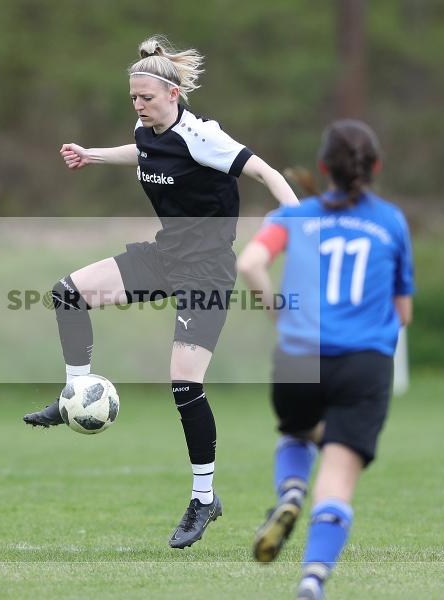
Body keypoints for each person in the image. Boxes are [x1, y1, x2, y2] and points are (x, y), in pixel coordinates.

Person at [23, 35, 300, 549]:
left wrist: (299, 223)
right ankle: (73, 394)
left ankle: (203, 499)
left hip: (207, 271)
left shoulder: (204, 137)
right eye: (133, 97)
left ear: (173, 94)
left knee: (184, 383)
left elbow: (265, 172)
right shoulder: (147, 128)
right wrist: (91, 155)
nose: (138, 105)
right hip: (166, 256)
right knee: (67, 293)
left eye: (146, 97)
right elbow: (144, 150)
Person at [237, 120, 414, 599]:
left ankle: (291, 491)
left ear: (323, 167)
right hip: (363, 363)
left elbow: (249, 264)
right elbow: (403, 313)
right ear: (375, 167)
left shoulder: (294, 216)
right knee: (337, 478)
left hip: (299, 355)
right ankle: (312, 581)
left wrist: (278, 313)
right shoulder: (390, 222)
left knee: (297, 432)